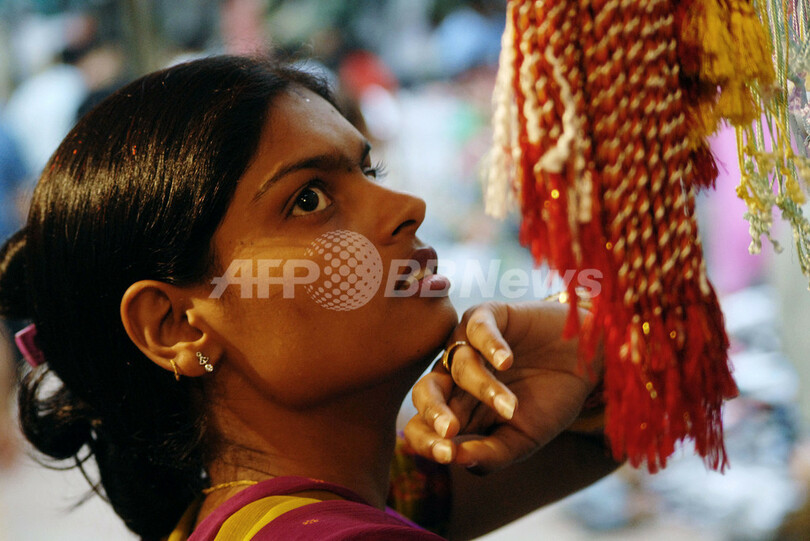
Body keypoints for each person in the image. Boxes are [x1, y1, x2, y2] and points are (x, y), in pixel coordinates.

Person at [0, 55, 615, 540]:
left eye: (367, 172)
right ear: (177, 326)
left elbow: (614, 431)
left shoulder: (302, 507)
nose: (408, 208)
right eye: (310, 199)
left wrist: (594, 359)